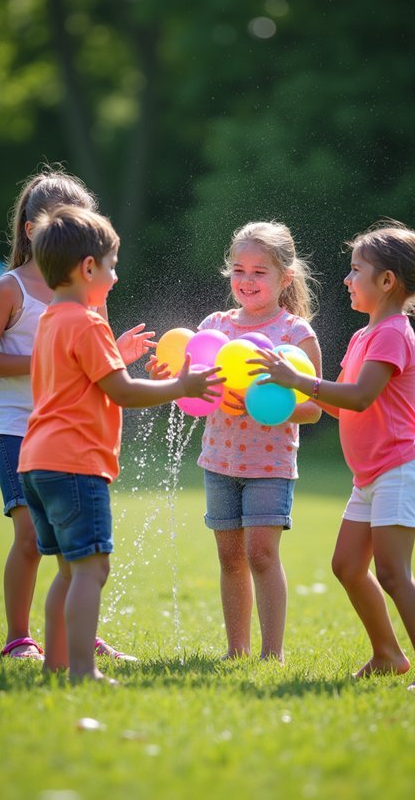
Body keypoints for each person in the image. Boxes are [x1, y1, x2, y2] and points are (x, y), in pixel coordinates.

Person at [17, 205, 222, 682]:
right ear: (88, 268)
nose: (115, 275)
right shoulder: (88, 324)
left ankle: (56, 663)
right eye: (111, 265)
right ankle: (82, 670)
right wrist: (181, 387)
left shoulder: (51, 319)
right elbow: (123, 392)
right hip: (74, 463)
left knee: (69, 571)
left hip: (37, 462)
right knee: (91, 570)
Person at [250, 219, 415, 689]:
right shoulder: (365, 336)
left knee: (393, 574)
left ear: (387, 281)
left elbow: (360, 397)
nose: (346, 278)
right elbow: (339, 404)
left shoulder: (393, 332)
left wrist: (299, 380)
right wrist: (278, 395)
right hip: (371, 476)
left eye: (356, 270)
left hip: (400, 469)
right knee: (346, 566)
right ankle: (387, 655)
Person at [0, 167, 155, 661]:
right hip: (16, 424)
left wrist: (119, 355)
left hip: (73, 433)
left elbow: (98, 363)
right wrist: (48, 361)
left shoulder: (90, 293)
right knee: (30, 537)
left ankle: (77, 636)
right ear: (32, 231)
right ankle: (19, 638)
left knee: (76, 543)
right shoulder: (10, 289)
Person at [149, 221, 322, 663]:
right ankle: (236, 650)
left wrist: (261, 407)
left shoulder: (296, 334)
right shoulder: (214, 326)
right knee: (230, 558)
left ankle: (272, 654)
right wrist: (170, 379)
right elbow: (193, 385)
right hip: (219, 459)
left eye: (259, 272)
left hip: (270, 463)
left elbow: (314, 408)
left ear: (285, 277)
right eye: (239, 270)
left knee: (261, 554)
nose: (247, 280)